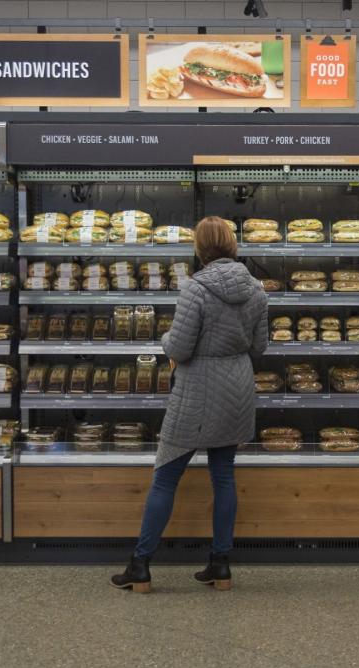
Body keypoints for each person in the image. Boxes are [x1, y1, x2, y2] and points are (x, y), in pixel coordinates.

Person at [111, 216, 268, 593]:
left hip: (198, 390)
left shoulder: (195, 289)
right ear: (232, 245)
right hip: (237, 387)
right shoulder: (257, 290)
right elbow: (259, 346)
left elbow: (179, 347)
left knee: (166, 475)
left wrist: (166, 340)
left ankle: (141, 566)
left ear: (200, 249)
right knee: (224, 476)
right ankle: (220, 566)